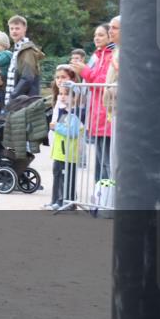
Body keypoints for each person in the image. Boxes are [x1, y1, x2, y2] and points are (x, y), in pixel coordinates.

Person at [70, 23, 116, 182]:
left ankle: (105, 198)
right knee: (99, 161)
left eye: (101, 35)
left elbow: (103, 82)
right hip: (97, 114)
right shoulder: (99, 55)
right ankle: (98, 198)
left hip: (106, 115)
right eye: (95, 35)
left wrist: (84, 71)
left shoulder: (112, 55)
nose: (97, 38)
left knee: (105, 162)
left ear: (110, 36)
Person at [44, 65, 83, 211]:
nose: (60, 80)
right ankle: (55, 200)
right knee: (57, 172)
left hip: (68, 149)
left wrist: (55, 127)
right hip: (59, 146)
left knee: (67, 174)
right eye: (58, 77)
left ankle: (66, 201)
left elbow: (71, 130)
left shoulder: (73, 109)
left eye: (64, 77)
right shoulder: (59, 102)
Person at [3, 15, 45, 107]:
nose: (14, 31)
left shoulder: (27, 50)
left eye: (17, 28)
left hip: (24, 101)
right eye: (12, 28)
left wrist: (13, 96)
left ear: (25, 29)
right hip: (18, 100)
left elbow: (27, 77)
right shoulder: (17, 49)